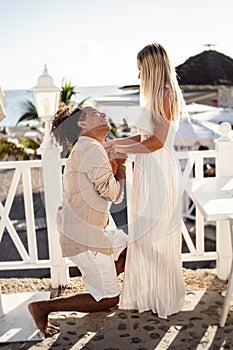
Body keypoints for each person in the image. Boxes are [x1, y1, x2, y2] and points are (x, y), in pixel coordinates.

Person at [28, 106, 128, 337]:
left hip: (92, 230)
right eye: (96, 114)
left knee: (131, 250)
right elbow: (113, 194)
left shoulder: (89, 148)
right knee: (107, 300)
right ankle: (43, 308)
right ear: (82, 124)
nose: (103, 115)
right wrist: (121, 168)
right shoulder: (91, 149)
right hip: (87, 236)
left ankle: (103, 279)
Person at [105, 43, 186, 319]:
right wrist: (113, 143)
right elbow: (142, 138)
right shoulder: (154, 98)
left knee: (155, 238)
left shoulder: (166, 95)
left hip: (159, 173)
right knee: (144, 238)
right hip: (147, 171)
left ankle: (163, 297)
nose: (138, 77)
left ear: (152, 69)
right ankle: (148, 295)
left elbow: (157, 142)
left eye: (141, 70)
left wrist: (122, 151)